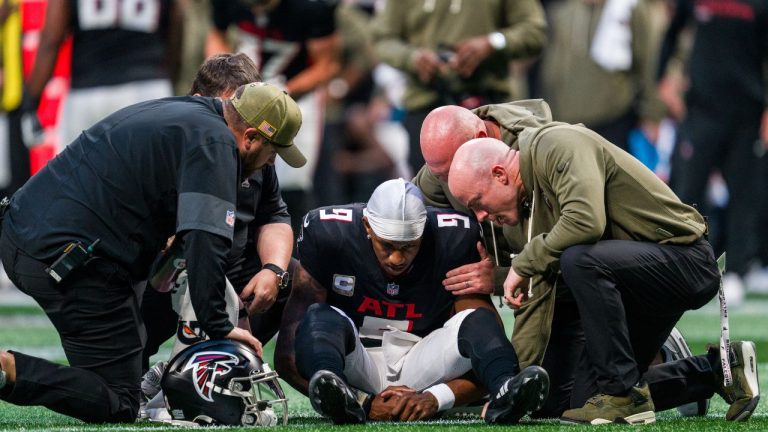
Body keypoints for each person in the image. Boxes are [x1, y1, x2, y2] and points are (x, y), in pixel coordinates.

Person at [0, 81, 304, 423]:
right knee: (119, 400)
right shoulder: (216, 143)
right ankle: (8, 371)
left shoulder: (188, 113)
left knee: (132, 351)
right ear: (249, 137)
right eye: (272, 153)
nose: (269, 164)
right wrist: (218, 324)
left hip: (33, 234)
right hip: (69, 258)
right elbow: (205, 243)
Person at [448, 136, 760, 424]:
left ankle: (625, 392)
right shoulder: (524, 203)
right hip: (633, 282)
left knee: (579, 260)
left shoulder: (557, 144)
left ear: (501, 174)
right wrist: (514, 386)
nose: (479, 216)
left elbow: (586, 221)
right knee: (570, 402)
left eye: (477, 202)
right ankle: (718, 371)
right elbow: (539, 300)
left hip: (685, 260)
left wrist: (524, 263)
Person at [275, 178, 550, 424]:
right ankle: (341, 396)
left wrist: (435, 397)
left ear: (424, 233)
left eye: (408, 246)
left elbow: (483, 345)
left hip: (424, 360)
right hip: (353, 363)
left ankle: (504, 391)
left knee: (479, 320)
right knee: (318, 318)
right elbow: (289, 355)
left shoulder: (452, 239)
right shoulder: (329, 236)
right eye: (388, 245)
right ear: (367, 225)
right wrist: (363, 402)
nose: (397, 258)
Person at [140, 53, 295, 374]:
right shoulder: (176, 141)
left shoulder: (254, 145)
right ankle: (149, 368)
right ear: (200, 103)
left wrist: (273, 270)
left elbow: (275, 214)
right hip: (166, 273)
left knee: (297, 276)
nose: (238, 117)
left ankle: (211, 361)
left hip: (231, 273)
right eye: (231, 108)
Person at [656, 0, 768, 302]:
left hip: (746, 112)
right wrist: (662, 79)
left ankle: (738, 271)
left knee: (744, 195)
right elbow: (672, 31)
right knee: (687, 192)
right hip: (701, 110)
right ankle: (680, 267)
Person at [207, 0, 341, 238]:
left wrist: (278, 95)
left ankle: (289, 252)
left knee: (290, 185)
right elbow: (216, 34)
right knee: (228, 169)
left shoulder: (311, 7)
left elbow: (327, 66)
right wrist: (222, 76)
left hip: (295, 96)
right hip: (241, 93)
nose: (256, 9)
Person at [371, 0, 547, 175]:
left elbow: (534, 31)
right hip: (426, 109)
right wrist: (412, 58)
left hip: (489, 109)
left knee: (495, 192)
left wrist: (493, 43)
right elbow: (382, 39)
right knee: (429, 197)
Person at [23, 0, 183, 152]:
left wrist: (31, 101)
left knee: (78, 176)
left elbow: (51, 39)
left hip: (89, 91)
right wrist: (169, 79)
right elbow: (177, 20)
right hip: (148, 86)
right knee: (151, 177)